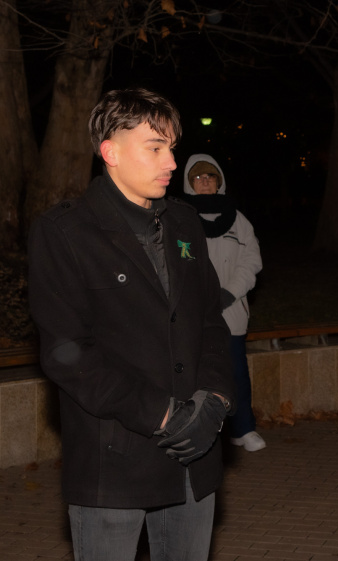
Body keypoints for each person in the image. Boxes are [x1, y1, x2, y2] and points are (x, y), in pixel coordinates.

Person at [28, 88, 236, 560]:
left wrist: (216, 400)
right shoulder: (65, 233)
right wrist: (165, 414)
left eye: (172, 147)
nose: (171, 161)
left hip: (193, 458)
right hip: (114, 460)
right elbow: (69, 354)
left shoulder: (184, 223)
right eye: (156, 147)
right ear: (111, 153)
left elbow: (208, 323)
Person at [180, 153, 266, 452]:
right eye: (199, 178)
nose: (205, 182)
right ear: (190, 184)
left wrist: (229, 293)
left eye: (210, 177)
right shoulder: (180, 217)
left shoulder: (238, 220)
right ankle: (199, 431)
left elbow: (251, 260)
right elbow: (179, 261)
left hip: (230, 310)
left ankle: (243, 429)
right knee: (197, 376)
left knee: (236, 373)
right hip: (195, 312)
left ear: (219, 182)